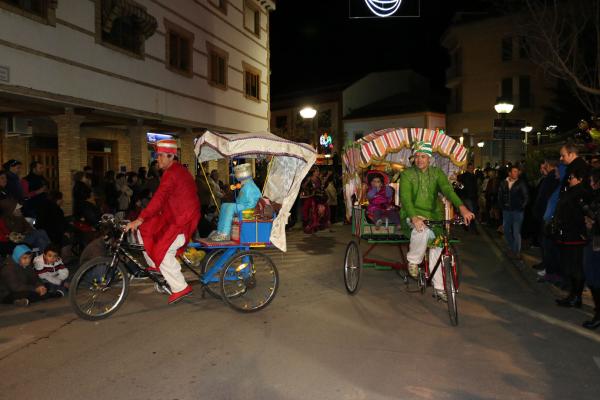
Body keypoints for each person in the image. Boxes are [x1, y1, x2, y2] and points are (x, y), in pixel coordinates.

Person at [125, 139, 200, 305]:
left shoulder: (172, 173)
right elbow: (163, 199)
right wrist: (143, 220)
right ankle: (158, 267)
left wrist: (140, 218)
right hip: (174, 216)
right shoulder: (175, 171)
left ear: (170, 156)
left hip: (182, 219)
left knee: (163, 250)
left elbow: (159, 198)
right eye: (157, 155)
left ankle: (180, 287)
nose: (157, 159)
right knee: (144, 230)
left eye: (159, 156)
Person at [399, 141, 474, 301]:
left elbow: (447, 190)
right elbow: (405, 198)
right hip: (412, 214)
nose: (420, 160)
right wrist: (414, 217)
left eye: (423, 156)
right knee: (422, 230)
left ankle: (439, 288)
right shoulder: (407, 175)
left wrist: (462, 207)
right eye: (417, 156)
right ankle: (413, 261)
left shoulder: (437, 173)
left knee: (438, 248)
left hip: (434, 216)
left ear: (429, 158)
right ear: (413, 158)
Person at [554, 166, 590, 308]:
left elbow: (581, 215)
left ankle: (576, 297)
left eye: (571, 178)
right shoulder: (571, 191)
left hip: (575, 236)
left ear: (580, 179)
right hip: (568, 234)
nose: (569, 180)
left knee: (576, 268)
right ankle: (573, 295)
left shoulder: (581, 193)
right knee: (570, 267)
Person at [208, 163, 261, 241]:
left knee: (230, 207)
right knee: (224, 205)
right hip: (242, 206)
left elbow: (252, 203)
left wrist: (243, 211)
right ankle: (220, 231)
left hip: (249, 210)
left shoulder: (250, 186)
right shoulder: (245, 185)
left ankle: (225, 233)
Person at [497, 165, 529, 259]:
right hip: (506, 211)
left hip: (517, 212)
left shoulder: (521, 183)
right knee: (506, 231)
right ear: (509, 173)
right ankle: (512, 247)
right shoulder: (504, 183)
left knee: (516, 232)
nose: (516, 173)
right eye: (514, 171)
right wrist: (502, 206)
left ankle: (516, 251)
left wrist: (521, 207)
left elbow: (526, 197)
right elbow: (500, 196)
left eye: (517, 171)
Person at [582, 168, 600, 329]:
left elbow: (595, 218)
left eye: (592, 181)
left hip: (596, 243)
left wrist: (591, 219)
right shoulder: (594, 195)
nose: (590, 184)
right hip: (593, 240)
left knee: (593, 277)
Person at [301, 167, 330, 234]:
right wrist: (307, 184)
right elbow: (303, 187)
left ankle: (319, 224)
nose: (318, 172)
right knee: (308, 208)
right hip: (310, 197)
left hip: (317, 197)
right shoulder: (309, 179)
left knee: (326, 207)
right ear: (313, 172)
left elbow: (322, 187)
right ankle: (310, 225)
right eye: (316, 171)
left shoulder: (318, 179)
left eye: (318, 171)